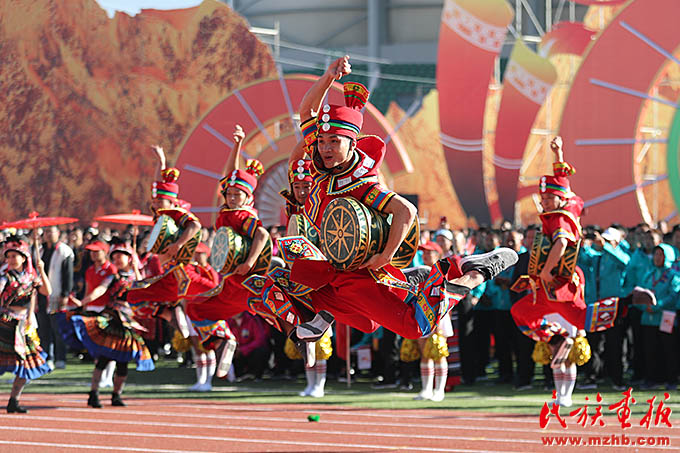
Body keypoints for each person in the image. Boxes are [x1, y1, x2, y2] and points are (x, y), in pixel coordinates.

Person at [259, 56, 517, 346]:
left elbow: (406, 211)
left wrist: (384, 257)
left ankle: (470, 270)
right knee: (277, 288)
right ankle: (331, 312)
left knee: (416, 326)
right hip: (332, 272)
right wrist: (328, 77)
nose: (325, 147)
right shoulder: (320, 164)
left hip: (358, 276)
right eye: (321, 141)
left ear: (352, 143)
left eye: (334, 142)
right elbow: (307, 110)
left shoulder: (362, 183)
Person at [510, 137, 655, 406]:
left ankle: (628, 300)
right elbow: (562, 179)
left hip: (558, 281)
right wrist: (558, 153)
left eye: (548, 198)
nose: (544, 202)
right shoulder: (571, 203)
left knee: (580, 320)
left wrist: (546, 271)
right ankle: (555, 339)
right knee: (522, 312)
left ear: (559, 198)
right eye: (543, 198)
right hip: (551, 284)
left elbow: (561, 243)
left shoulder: (560, 218)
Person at [184, 125, 268, 376]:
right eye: (229, 194)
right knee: (195, 309)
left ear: (247, 196)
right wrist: (237, 145)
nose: (231, 197)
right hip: (231, 282)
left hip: (243, 283)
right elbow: (230, 174)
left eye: (237, 194)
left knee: (197, 309)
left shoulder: (243, 215)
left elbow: (262, 235)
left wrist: (249, 262)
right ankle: (224, 339)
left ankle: (224, 338)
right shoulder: (228, 212)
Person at [58, 241, 154, 408]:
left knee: (123, 361)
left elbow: (142, 289)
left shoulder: (136, 276)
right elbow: (101, 289)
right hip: (112, 319)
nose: (116, 260)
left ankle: (116, 395)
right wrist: (84, 301)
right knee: (104, 358)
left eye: (120, 257)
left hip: (128, 323)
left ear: (129, 258)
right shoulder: (113, 276)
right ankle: (94, 393)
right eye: (114, 257)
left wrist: (136, 269)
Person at [0, 236, 52, 413]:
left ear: (24, 258)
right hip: (6, 324)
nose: (11, 259)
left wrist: (42, 271)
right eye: (9, 256)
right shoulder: (5, 277)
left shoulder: (31, 277)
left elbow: (46, 291)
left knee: (27, 364)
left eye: (15, 256)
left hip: (23, 326)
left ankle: (14, 400)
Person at [36, 225, 74, 370]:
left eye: (51, 232)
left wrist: (65, 294)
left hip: (57, 293)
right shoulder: (39, 250)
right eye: (46, 232)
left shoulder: (64, 251)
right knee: (43, 328)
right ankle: (47, 357)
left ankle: (60, 357)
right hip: (41, 295)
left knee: (58, 328)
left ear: (58, 233)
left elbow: (68, 275)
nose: (48, 235)